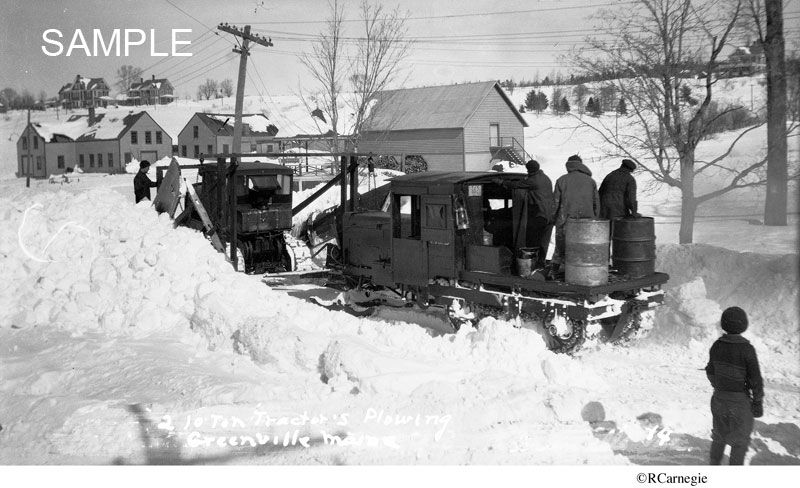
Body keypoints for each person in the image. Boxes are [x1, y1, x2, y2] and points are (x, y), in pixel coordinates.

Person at [705, 306, 764, 465]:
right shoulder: (747, 349)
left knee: (719, 434)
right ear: (744, 325)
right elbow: (755, 380)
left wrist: (718, 385)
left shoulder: (716, 345)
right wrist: (757, 402)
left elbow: (710, 371)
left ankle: (714, 463)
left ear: (724, 324)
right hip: (740, 402)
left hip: (718, 398)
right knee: (740, 440)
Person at [493, 160, 554, 268]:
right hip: (549, 215)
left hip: (540, 214)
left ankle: (531, 266)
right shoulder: (545, 178)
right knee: (543, 242)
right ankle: (540, 263)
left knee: (532, 242)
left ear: (530, 170)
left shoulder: (534, 180)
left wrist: (502, 182)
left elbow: (517, 185)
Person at [552, 154, 599, 268]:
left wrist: (553, 219)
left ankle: (557, 270)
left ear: (569, 166)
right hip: (587, 223)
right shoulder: (591, 181)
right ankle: (582, 272)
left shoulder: (562, 180)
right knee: (583, 248)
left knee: (562, 248)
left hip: (565, 221)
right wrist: (595, 219)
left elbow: (555, 203)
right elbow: (596, 203)